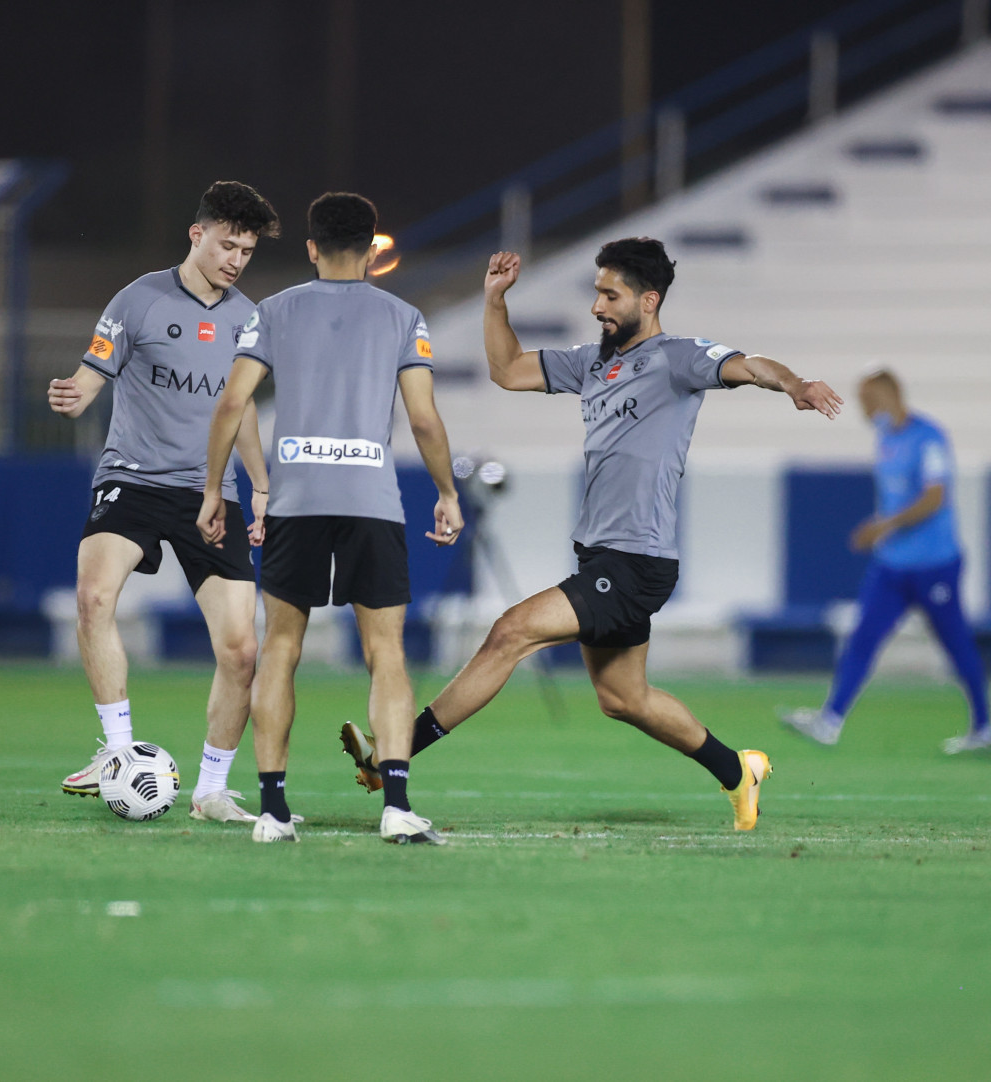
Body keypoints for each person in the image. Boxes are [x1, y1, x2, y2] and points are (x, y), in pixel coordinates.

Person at [340, 237, 844, 831]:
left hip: (638, 561)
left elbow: (752, 365)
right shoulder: (592, 362)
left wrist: (795, 384)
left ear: (649, 300)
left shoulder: (679, 358)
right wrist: (495, 301)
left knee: (511, 632)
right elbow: (507, 370)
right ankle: (738, 769)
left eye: (611, 294)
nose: (597, 306)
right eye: (596, 292)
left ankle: (391, 756)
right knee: (623, 699)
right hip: (602, 556)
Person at [197, 191, 464, 844]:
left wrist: (212, 489)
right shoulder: (404, 316)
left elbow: (233, 404)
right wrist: (447, 492)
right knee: (386, 653)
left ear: (311, 247)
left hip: (298, 502)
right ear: (373, 250)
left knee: (282, 650)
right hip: (371, 502)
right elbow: (425, 417)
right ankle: (397, 806)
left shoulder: (274, 312)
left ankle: (272, 811)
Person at [47, 180, 280, 822]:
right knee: (95, 597)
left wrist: (260, 486)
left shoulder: (247, 318)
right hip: (133, 479)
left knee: (241, 650)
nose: (235, 259)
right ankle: (117, 753)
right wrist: (78, 394)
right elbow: (96, 368)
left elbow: (245, 413)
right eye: (227, 244)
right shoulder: (139, 299)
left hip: (210, 494)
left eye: (247, 251)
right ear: (196, 234)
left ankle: (210, 791)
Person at [781, 369, 990, 753]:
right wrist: (883, 533)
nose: (861, 406)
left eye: (865, 398)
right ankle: (830, 721)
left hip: (934, 563)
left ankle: (984, 726)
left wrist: (884, 526)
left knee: (956, 644)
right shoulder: (885, 436)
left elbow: (934, 498)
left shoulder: (928, 438)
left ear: (886, 394)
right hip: (892, 564)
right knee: (862, 639)